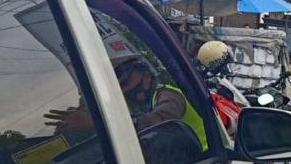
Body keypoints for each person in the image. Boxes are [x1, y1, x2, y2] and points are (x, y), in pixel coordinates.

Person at [45, 56, 208, 150]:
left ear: (147, 77)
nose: (125, 90)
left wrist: (96, 122)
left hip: (205, 156)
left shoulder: (168, 95)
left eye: (127, 82)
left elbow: (158, 122)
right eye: (120, 87)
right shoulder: (141, 106)